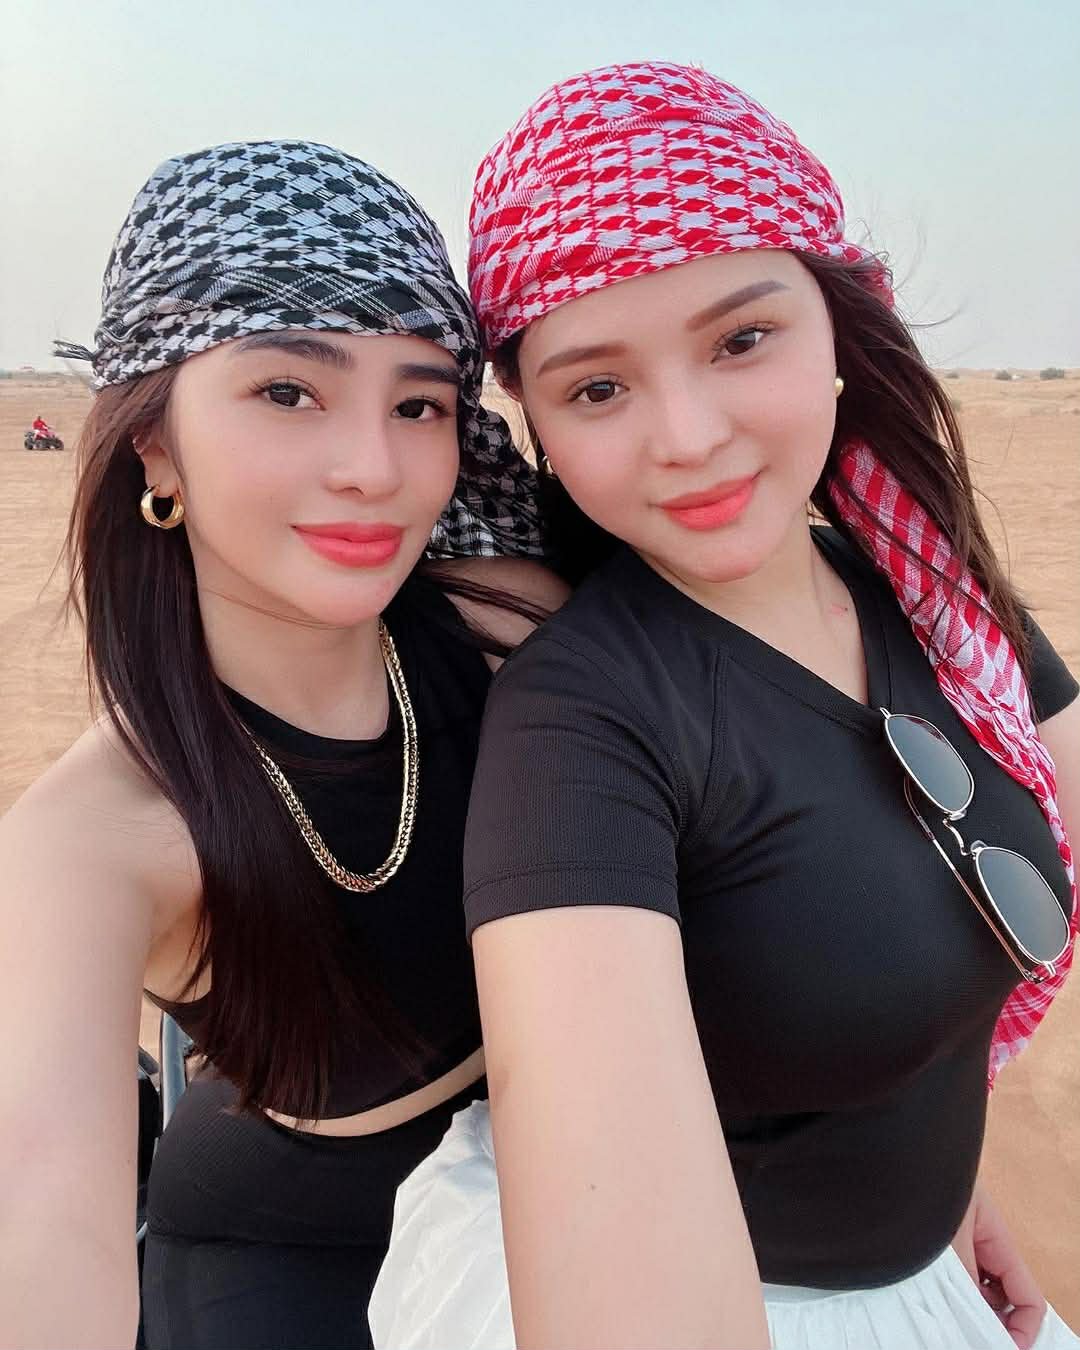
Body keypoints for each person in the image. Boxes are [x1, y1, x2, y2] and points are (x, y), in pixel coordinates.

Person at [370, 63, 1079, 1350]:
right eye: (598, 388)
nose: (688, 436)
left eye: (742, 340)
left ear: (840, 329)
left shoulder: (934, 597)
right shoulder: (579, 732)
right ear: (538, 427)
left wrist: (938, 1176)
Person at [0, 139, 564, 1350]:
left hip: (575, 1189)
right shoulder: (93, 841)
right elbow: (38, 1216)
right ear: (156, 442)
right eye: (288, 393)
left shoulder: (509, 629)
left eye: (417, 404)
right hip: (291, 1263)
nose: (373, 469)